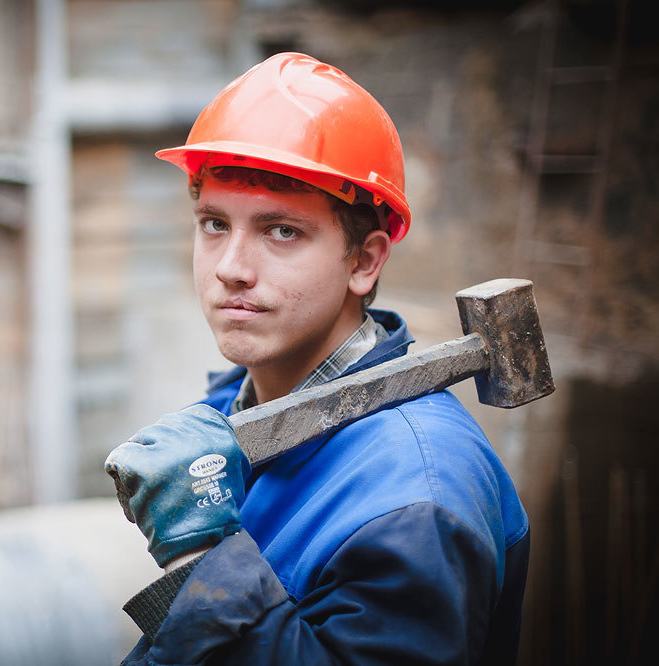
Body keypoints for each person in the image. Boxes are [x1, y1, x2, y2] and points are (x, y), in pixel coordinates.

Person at [104, 52, 529, 665]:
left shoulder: (420, 497)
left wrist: (201, 559)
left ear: (364, 260)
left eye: (282, 231)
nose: (230, 268)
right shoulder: (234, 409)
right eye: (214, 223)